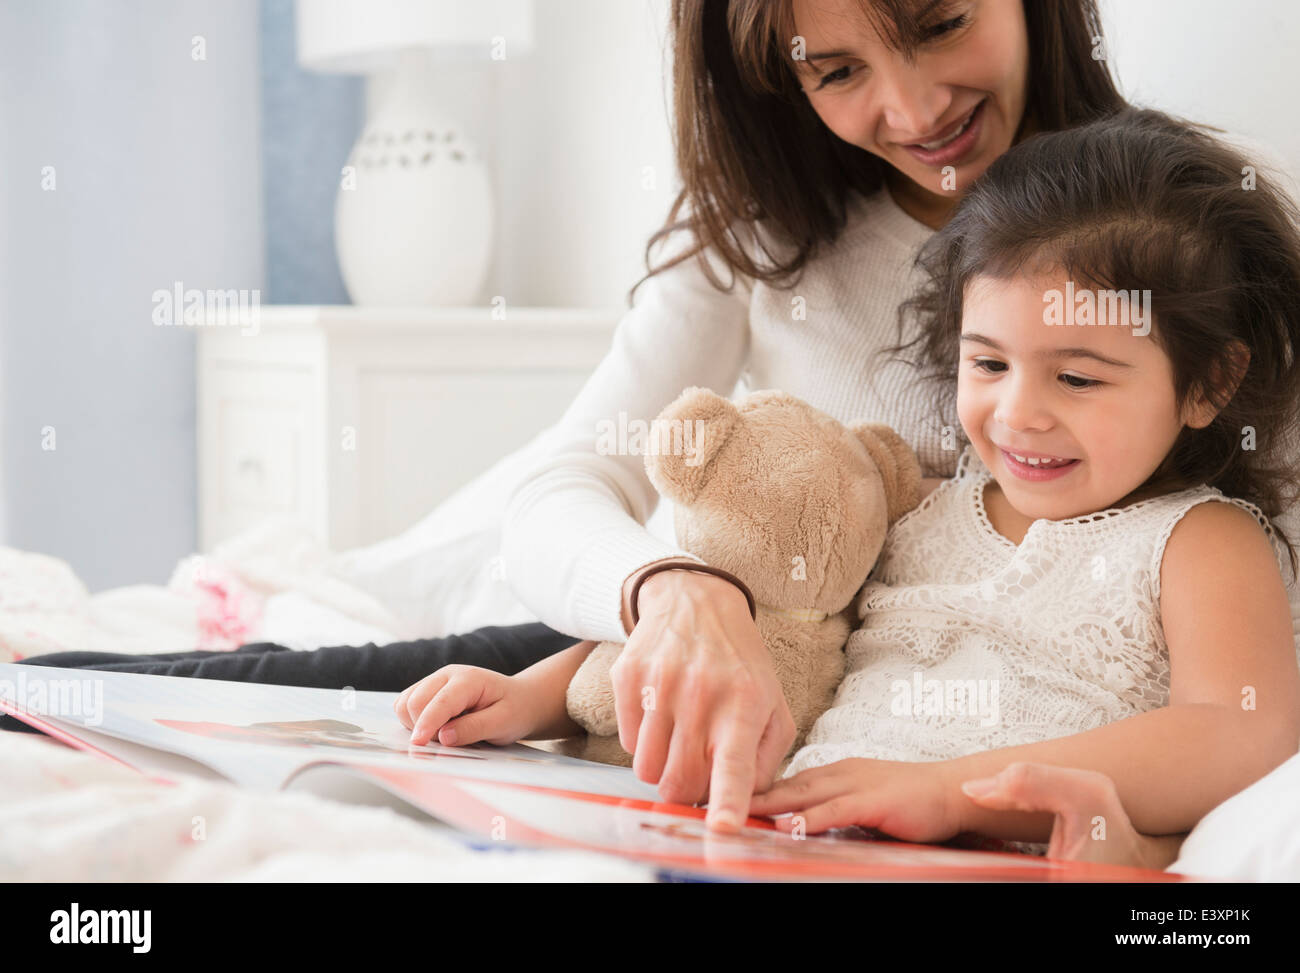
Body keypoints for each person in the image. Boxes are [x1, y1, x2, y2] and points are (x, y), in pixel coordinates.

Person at [7, 0, 1151, 835]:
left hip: (888, 698)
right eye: (837, 70)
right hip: (671, 641)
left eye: (941, 24)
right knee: (250, 689)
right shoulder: (768, 236)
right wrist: (673, 591)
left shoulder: (1165, 234)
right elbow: (558, 487)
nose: (908, 108)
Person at [393, 107, 1300, 867]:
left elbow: (1242, 731)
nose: (1018, 414)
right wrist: (536, 697)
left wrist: (948, 792)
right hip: (802, 839)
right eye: (988, 362)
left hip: (982, 853)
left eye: (1079, 378)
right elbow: (777, 620)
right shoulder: (914, 508)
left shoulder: (1198, 538)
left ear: (1209, 384)